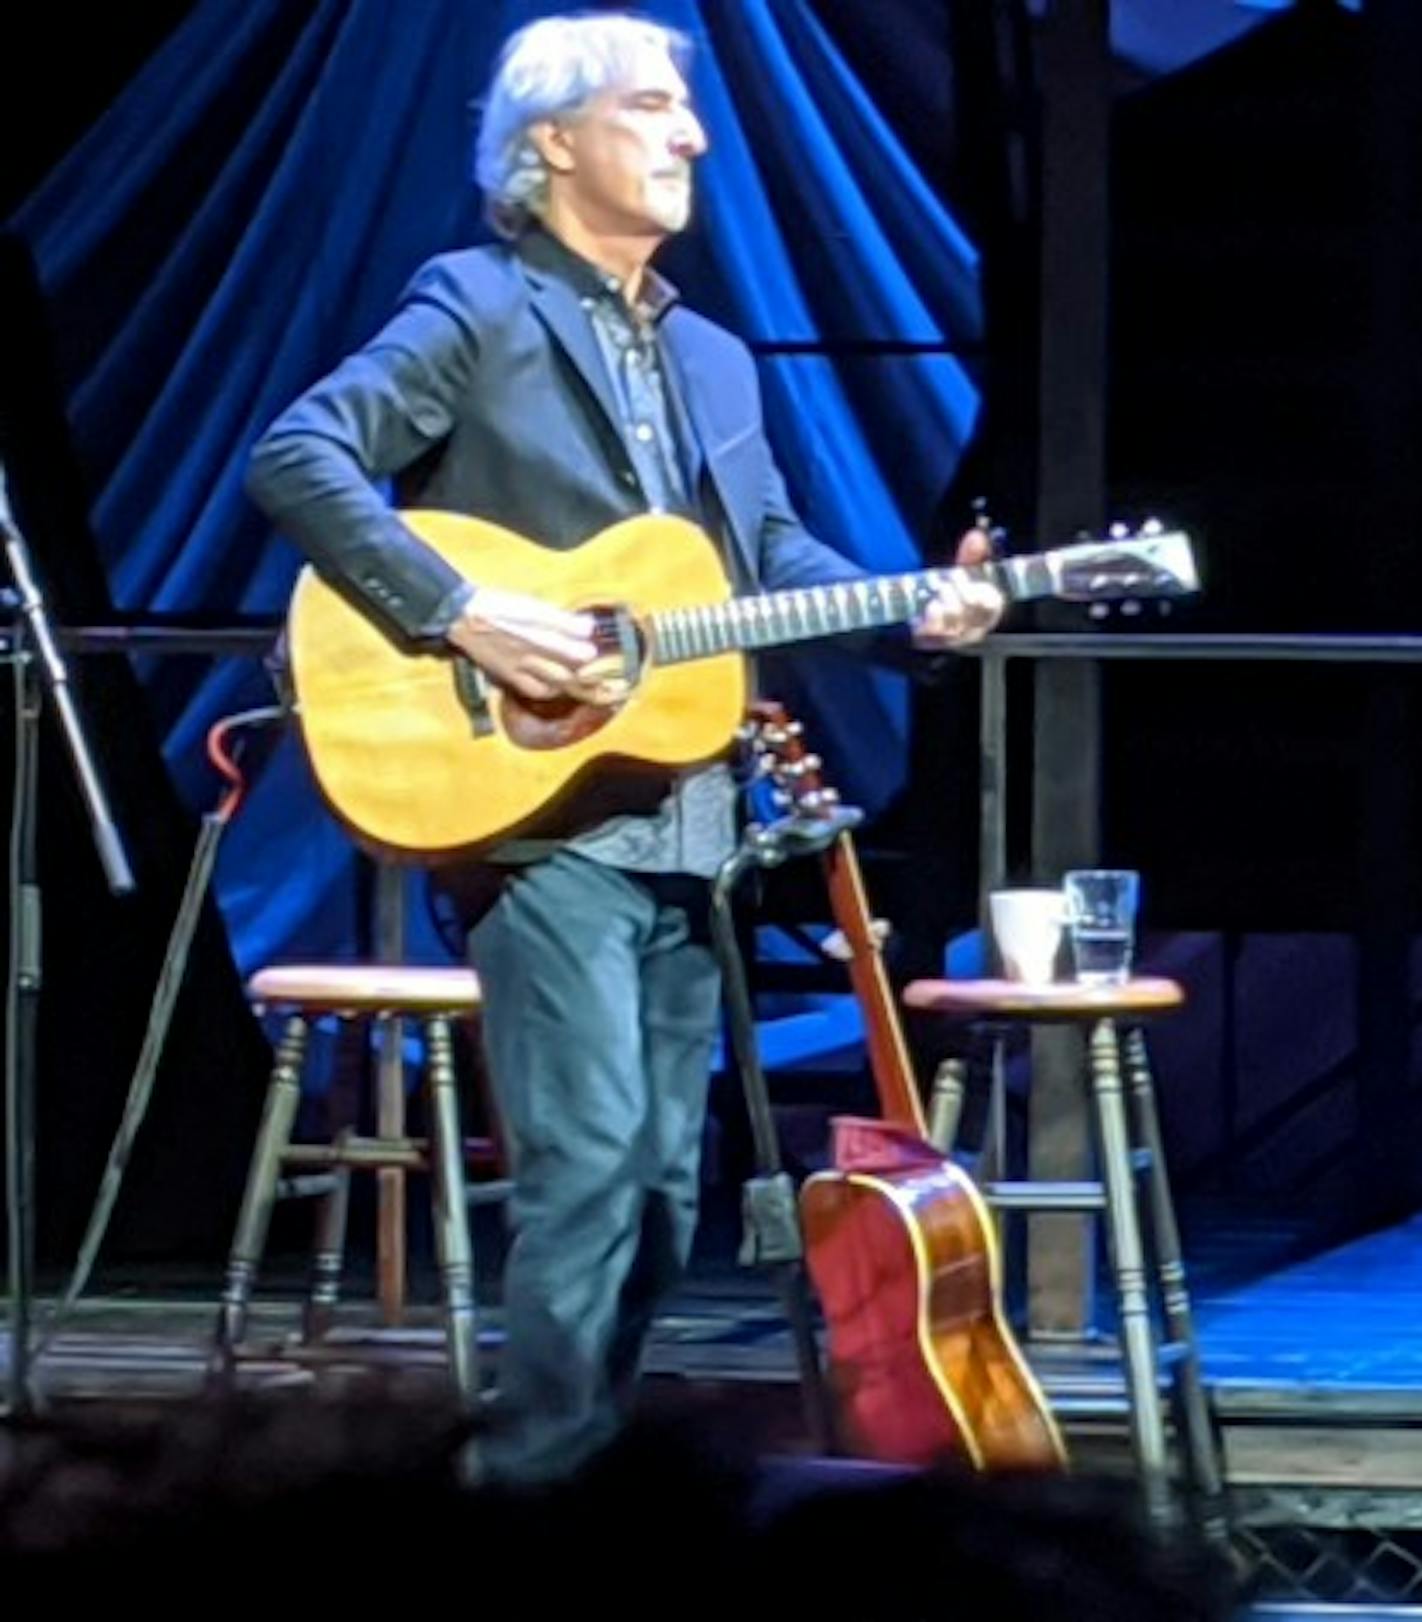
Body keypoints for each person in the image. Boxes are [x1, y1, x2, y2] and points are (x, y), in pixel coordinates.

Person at [245, 12, 1002, 1486]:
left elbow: (763, 555)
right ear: (551, 142)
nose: (692, 136)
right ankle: (526, 1501)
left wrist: (922, 604)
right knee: (587, 1174)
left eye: (686, 109)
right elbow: (299, 456)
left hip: (686, 815)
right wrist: (466, 614)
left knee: (662, 1191)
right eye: (653, 107)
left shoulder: (714, 354)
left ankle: (577, 1486)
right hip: (543, 820)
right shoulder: (475, 304)